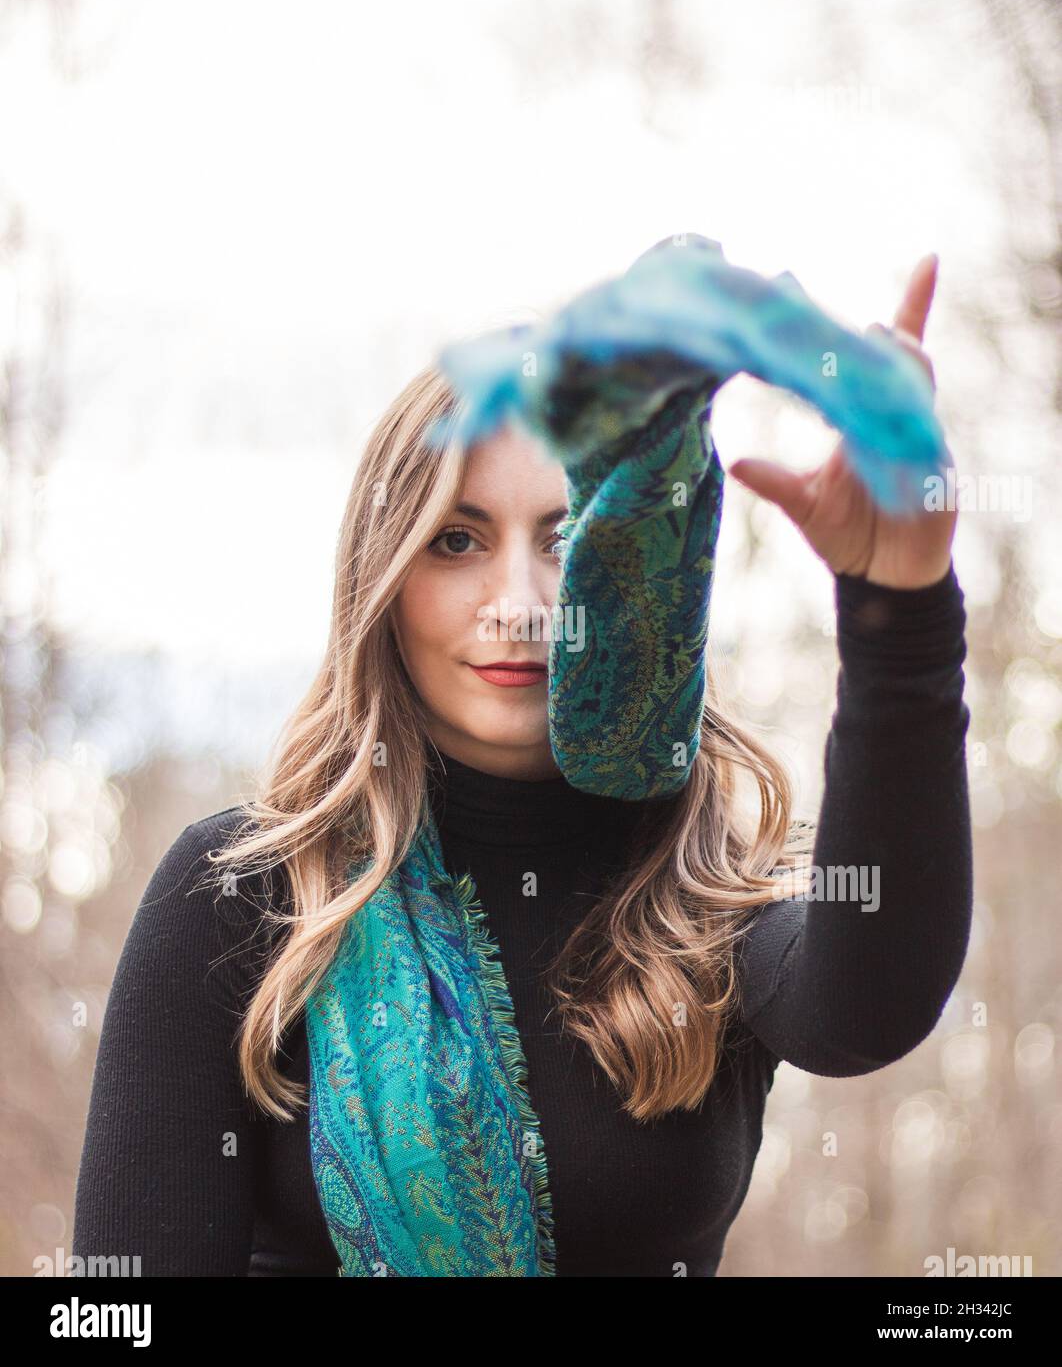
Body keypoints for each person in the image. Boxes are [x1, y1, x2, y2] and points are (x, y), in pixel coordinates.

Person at [72, 255, 972, 1277]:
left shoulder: (705, 895)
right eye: (457, 540)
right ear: (383, 578)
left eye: (567, 538)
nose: (521, 599)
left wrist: (898, 606)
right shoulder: (243, 896)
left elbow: (871, 999)